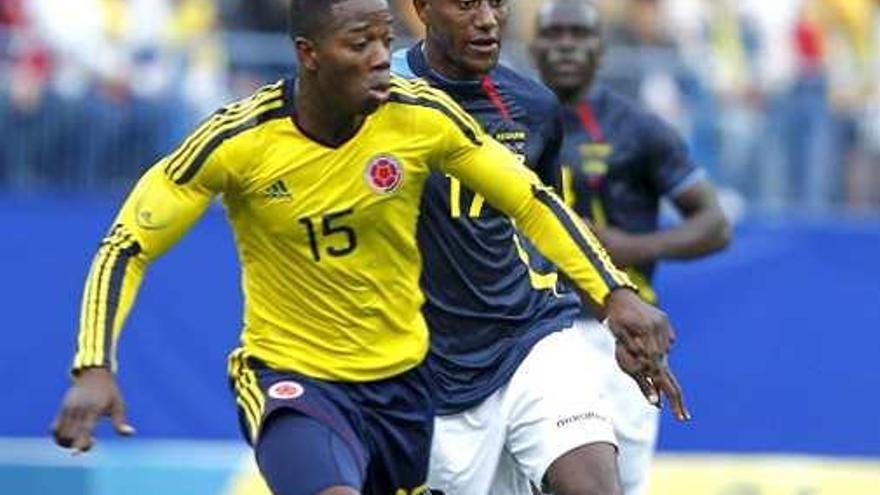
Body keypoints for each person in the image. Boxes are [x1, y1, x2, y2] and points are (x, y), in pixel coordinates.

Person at [50, 1, 681, 494]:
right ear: (308, 54)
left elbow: (532, 201)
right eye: (361, 44)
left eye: (384, 39)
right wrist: (93, 364)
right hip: (301, 376)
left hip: (439, 371)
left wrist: (614, 293)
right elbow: (127, 244)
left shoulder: (424, 117)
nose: (383, 57)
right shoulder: (237, 141)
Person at [392, 1, 688, 494]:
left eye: (498, 3)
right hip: (428, 364)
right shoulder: (380, 96)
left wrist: (617, 305)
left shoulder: (531, 106)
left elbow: (540, 218)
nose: (488, 19)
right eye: (467, 4)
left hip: (530, 338)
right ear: (421, 8)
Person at [531, 1, 732, 494]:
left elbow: (715, 223)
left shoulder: (638, 129)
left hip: (616, 337)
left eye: (578, 34)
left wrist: (630, 245)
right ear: (533, 46)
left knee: (615, 484)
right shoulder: (506, 119)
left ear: (602, 48)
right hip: (531, 331)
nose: (566, 46)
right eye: (553, 35)